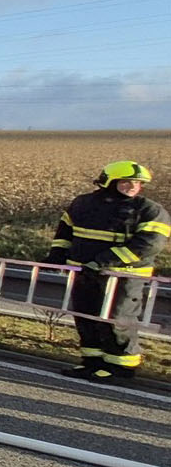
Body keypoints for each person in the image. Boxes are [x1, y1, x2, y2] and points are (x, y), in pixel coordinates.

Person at [44, 161, 167, 382]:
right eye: (126, 181)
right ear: (108, 181)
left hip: (123, 276)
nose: (132, 186)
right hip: (84, 272)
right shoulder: (83, 204)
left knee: (117, 320)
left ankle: (120, 369)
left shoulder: (149, 210)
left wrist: (102, 262)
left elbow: (148, 244)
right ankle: (93, 364)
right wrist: (57, 256)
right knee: (86, 317)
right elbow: (65, 231)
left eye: (137, 183)